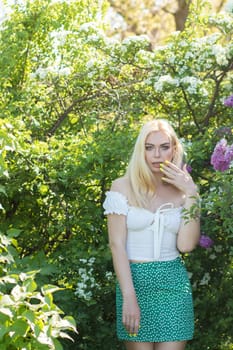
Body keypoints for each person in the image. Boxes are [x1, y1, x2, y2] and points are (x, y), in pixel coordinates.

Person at [103, 119, 200, 350]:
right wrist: (129, 297)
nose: (157, 154)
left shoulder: (182, 191)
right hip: (134, 283)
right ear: (141, 150)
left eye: (164, 147)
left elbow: (186, 245)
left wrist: (192, 193)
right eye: (149, 147)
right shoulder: (122, 187)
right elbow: (116, 245)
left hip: (173, 285)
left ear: (174, 149)